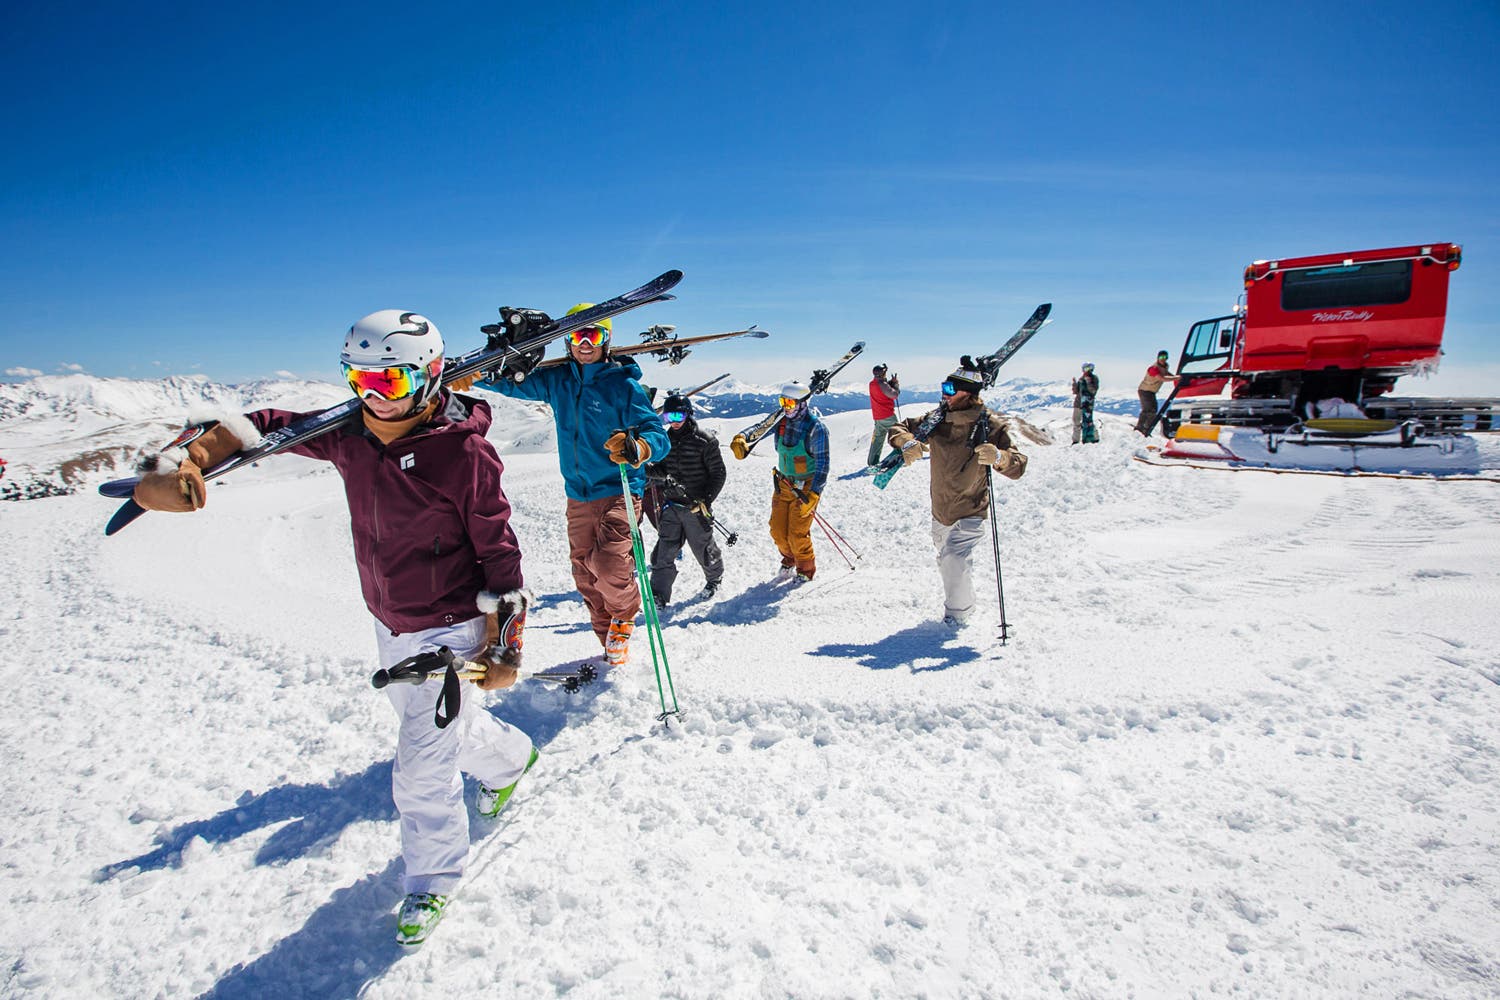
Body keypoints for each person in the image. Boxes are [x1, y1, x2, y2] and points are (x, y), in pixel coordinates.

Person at [131, 309, 535, 947]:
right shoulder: (351, 433)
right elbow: (260, 427)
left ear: (430, 377)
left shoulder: (463, 452)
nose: (375, 398)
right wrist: (190, 457)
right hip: (391, 620)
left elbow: (500, 550)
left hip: (452, 627)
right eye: (361, 380)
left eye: (392, 383)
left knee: (421, 767)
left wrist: (506, 640)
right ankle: (511, 759)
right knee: (442, 734)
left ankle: (432, 877)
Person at [477, 305, 669, 668]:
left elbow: (657, 435)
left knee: (609, 565)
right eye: (577, 336)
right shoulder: (560, 380)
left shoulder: (622, 384)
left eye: (593, 336)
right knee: (585, 573)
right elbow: (511, 383)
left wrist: (637, 447)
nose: (584, 344)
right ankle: (609, 646)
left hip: (619, 489)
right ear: (567, 341)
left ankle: (624, 615)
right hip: (578, 495)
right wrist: (474, 374)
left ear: (606, 342)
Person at [888, 363, 1027, 626]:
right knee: (948, 561)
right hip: (941, 509)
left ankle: (958, 616)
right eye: (944, 387)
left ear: (969, 393)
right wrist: (906, 442)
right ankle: (965, 599)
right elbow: (898, 427)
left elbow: (1019, 464)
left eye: (950, 389)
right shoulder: (937, 419)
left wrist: (999, 457)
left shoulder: (990, 425)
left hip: (971, 509)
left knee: (953, 559)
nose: (945, 394)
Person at [645, 393, 726, 608]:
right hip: (671, 505)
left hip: (695, 507)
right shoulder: (665, 441)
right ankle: (658, 595)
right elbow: (661, 470)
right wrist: (645, 469)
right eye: (669, 416)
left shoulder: (705, 440)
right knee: (664, 550)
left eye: (679, 415)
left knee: (702, 547)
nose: (674, 421)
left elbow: (718, 473)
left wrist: (705, 499)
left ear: (688, 414)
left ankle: (714, 578)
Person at [769, 381, 829, 581]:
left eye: (790, 403)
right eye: (782, 402)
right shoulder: (782, 423)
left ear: (802, 404)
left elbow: (822, 463)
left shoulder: (816, 428)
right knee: (777, 530)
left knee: (797, 533)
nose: (786, 407)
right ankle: (789, 559)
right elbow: (763, 431)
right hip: (784, 483)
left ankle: (805, 570)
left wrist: (815, 493)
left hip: (806, 487)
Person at [1134, 350, 1178, 436]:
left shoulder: (1165, 366)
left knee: (1153, 410)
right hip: (1145, 390)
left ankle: (1146, 428)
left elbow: (1166, 374)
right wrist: (1176, 378)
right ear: (1158, 358)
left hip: (1151, 391)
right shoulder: (1153, 368)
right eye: (1161, 357)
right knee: (1148, 410)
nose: (1163, 359)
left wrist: (1175, 377)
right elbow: (1162, 378)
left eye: (1165, 357)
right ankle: (1140, 427)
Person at [866, 363, 901, 469]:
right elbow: (894, 395)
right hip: (888, 415)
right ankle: (900, 456)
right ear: (882, 373)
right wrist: (895, 385)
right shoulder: (882, 384)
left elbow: (882, 389)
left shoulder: (872, 384)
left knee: (878, 439)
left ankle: (872, 461)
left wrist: (890, 383)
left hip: (878, 416)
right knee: (898, 435)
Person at [1071, 362, 1100, 444]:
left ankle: (1094, 437)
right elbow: (1076, 391)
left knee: (1088, 421)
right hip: (1078, 403)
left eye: (1089, 368)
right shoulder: (1081, 379)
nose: (1087, 371)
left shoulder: (1094, 378)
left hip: (1087, 403)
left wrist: (1088, 381)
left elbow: (1093, 390)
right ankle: (1075, 440)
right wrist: (1074, 384)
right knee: (1076, 420)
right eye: (1085, 368)